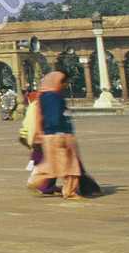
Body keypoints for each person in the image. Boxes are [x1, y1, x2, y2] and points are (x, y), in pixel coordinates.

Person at [28, 71, 99, 199]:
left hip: (49, 135)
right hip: (59, 135)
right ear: (58, 82)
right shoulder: (53, 96)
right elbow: (53, 117)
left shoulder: (43, 95)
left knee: (52, 164)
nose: (65, 85)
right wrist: (61, 131)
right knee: (71, 166)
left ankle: (36, 182)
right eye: (64, 82)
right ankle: (70, 192)